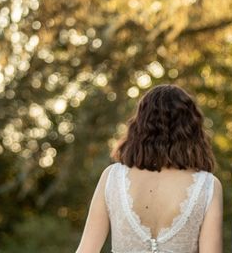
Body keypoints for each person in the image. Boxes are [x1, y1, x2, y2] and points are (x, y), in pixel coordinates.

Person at [76, 84, 223, 253]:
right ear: (191, 128)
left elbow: (86, 250)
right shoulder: (207, 185)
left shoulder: (112, 177)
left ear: (140, 124)